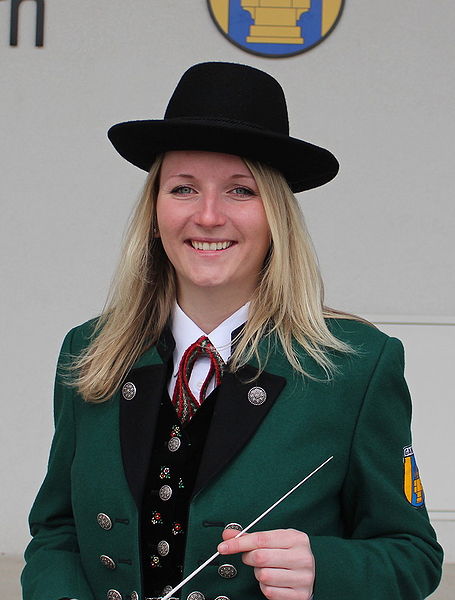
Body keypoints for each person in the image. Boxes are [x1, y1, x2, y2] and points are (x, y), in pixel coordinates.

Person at [21, 62, 442, 600]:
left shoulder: (357, 366)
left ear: (276, 217)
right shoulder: (89, 351)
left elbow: (413, 554)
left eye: (241, 191)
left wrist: (326, 569)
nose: (208, 216)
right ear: (154, 213)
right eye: (183, 188)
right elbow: (57, 531)